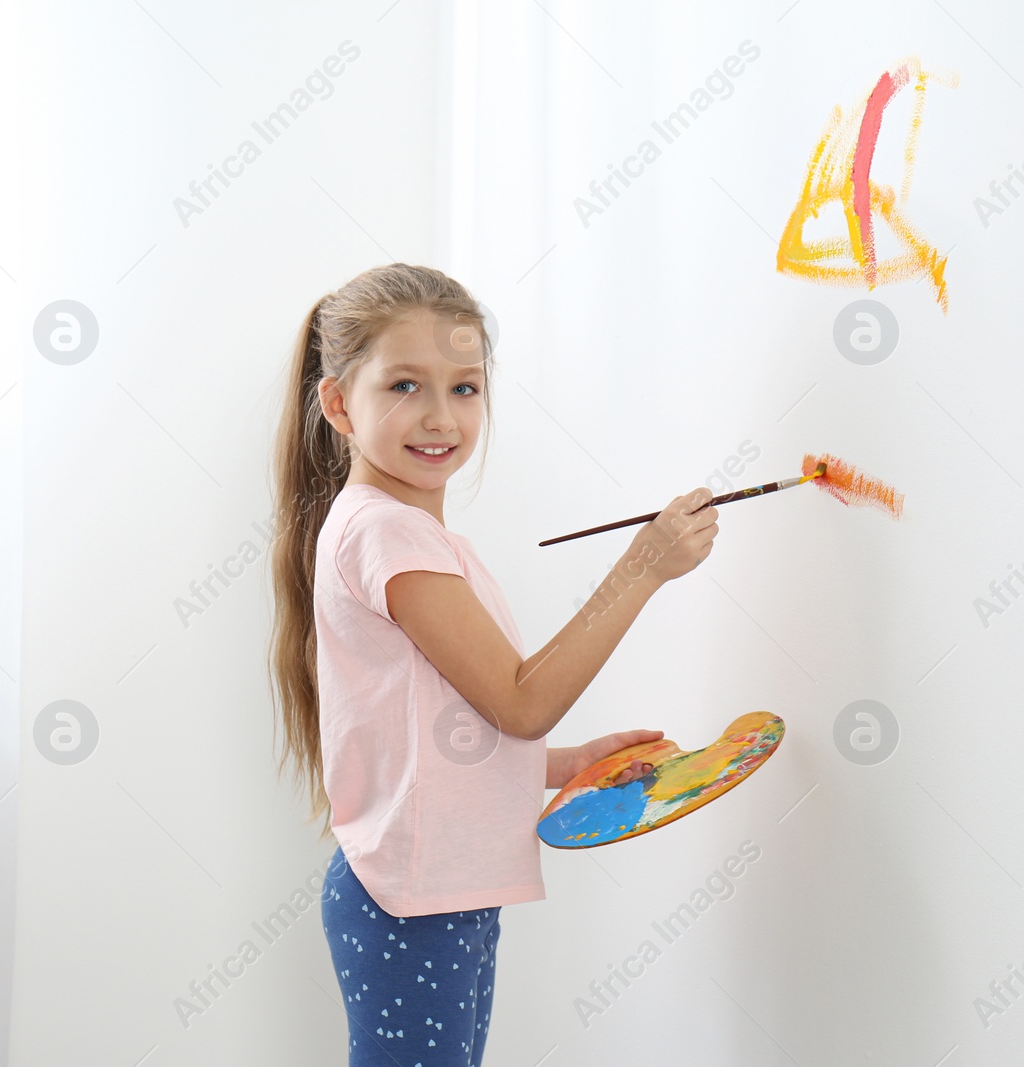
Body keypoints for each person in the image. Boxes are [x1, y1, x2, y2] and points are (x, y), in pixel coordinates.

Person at [267, 262, 719, 1066]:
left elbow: (444, 729)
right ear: (339, 403)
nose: (440, 415)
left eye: (465, 388)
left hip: (433, 891)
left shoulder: (410, 535)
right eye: (404, 384)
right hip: (414, 900)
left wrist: (561, 764)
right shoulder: (388, 535)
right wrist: (641, 567)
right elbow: (519, 699)